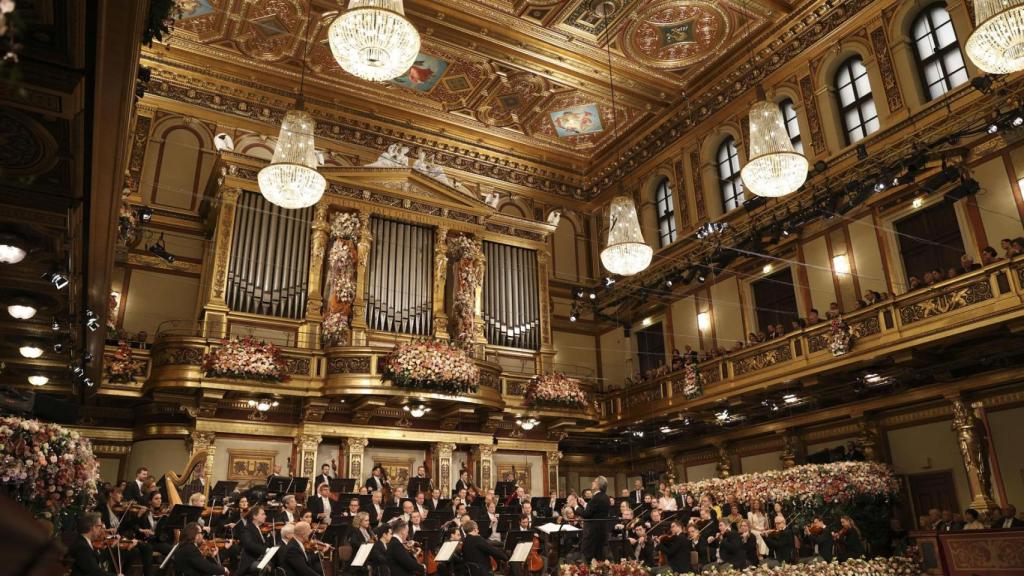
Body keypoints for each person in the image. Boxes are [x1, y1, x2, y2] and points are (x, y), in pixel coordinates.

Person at [579, 476, 611, 562]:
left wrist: (575, 506)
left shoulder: (596, 497)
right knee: (599, 560)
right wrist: (585, 504)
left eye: (594, 481)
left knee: (588, 559)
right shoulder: (605, 497)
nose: (592, 483)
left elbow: (586, 514)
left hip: (593, 533)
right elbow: (595, 511)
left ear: (598, 485)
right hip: (601, 532)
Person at [237, 506, 268, 576]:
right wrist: (266, 550)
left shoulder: (259, 528)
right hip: (251, 561)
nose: (265, 516)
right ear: (254, 516)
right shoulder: (247, 528)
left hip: (260, 558)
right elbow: (249, 544)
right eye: (263, 514)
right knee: (264, 567)